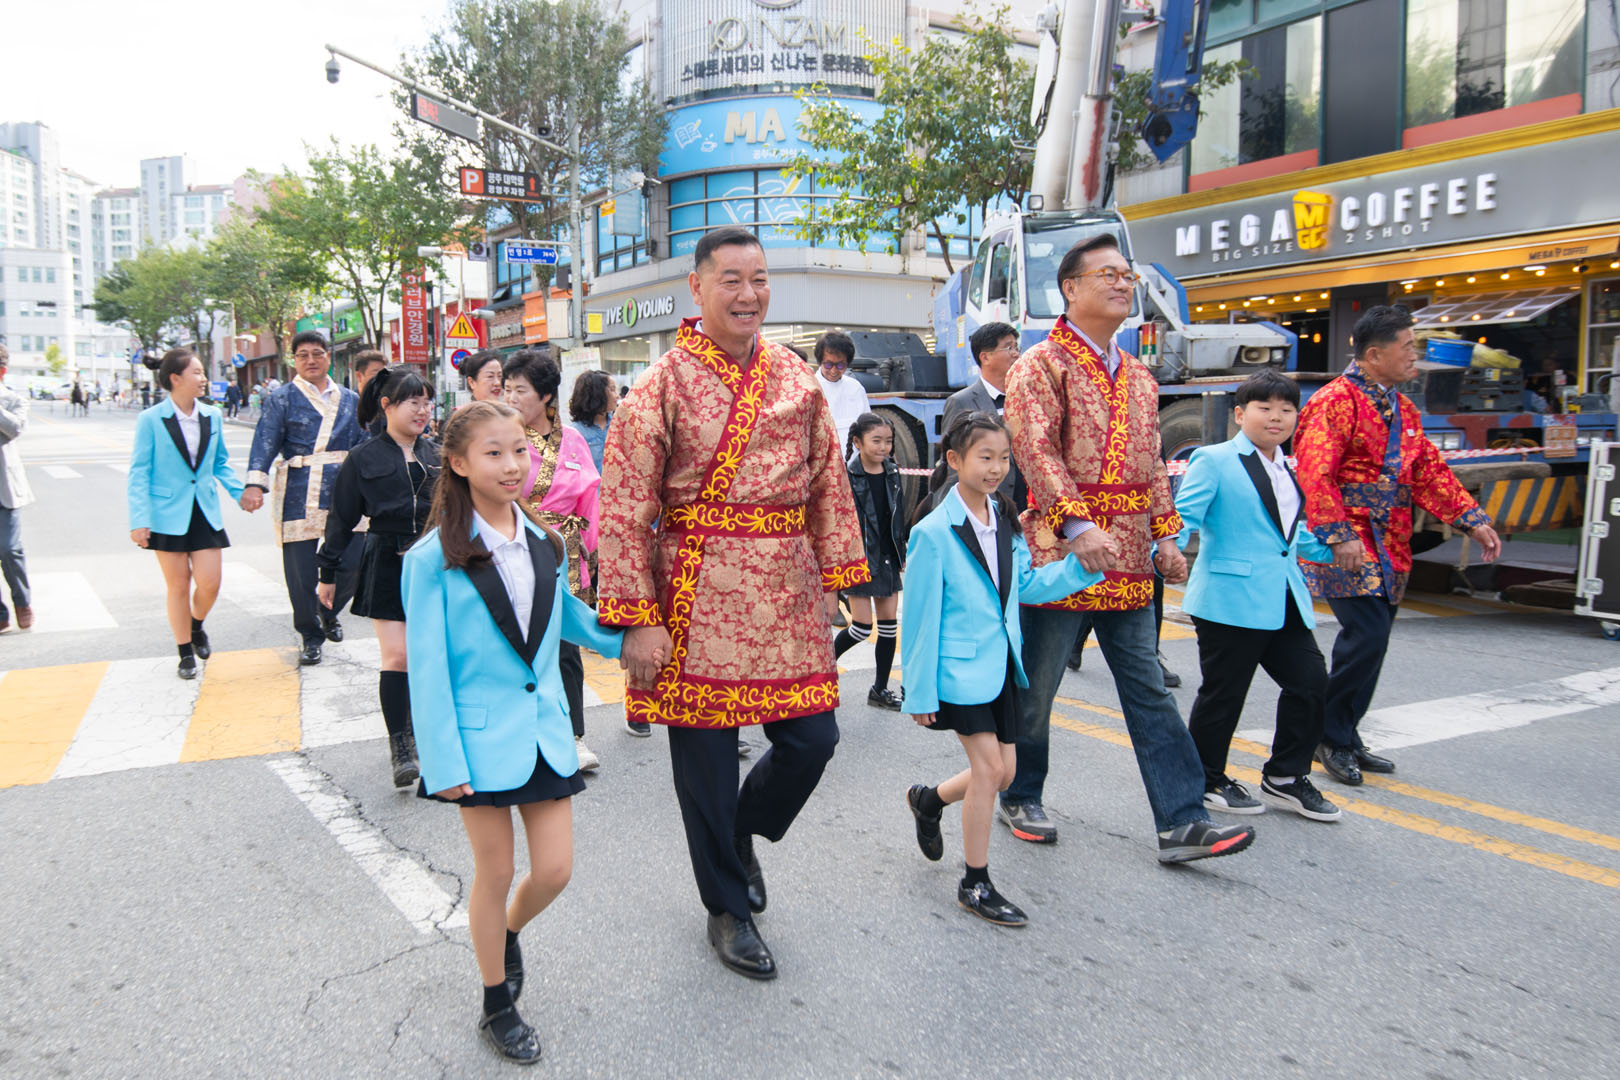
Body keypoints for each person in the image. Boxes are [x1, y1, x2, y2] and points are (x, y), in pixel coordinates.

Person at [598, 226, 868, 981]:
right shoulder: (660, 386)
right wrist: (639, 618)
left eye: (760, 279)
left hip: (785, 590)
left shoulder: (795, 377)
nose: (750, 294)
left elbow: (827, 478)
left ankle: (742, 831)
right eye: (732, 280)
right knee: (707, 768)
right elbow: (623, 507)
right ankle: (727, 907)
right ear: (697, 287)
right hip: (695, 594)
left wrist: (840, 573)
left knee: (813, 740)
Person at [1003, 233, 1255, 863]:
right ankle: (1019, 791)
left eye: (1128, 276)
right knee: (1038, 688)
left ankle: (1183, 820)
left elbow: (1150, 465)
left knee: (1148, 689)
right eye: (1108, 274)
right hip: (1064, 555)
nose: (1123, 284)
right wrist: (1076, 525)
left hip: (1131, 556)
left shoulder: (1139, 375)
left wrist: (1167, 535)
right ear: (1070, 288)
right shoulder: (1039, 365)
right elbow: (1036, 452)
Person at [403, 401, 622, 1066]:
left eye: (520, 451)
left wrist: (633, 637)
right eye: (494, 453)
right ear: (458, 463)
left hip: (543, 731)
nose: (511, 465)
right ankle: (496, 1001)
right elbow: (427, 669)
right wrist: (442, 763)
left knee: (554, 871)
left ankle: (506, 932)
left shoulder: (546, 541)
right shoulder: (431, 558)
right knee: (495, 871)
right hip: (476, 743)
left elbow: (567, 618)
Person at [902, 412, 1100, 926]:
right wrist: (918, 692)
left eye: (1004, 458)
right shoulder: (933, 532)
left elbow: (1025, 588)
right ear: (954, 460)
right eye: (984, 457)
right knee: (991, 772)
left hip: (1002, 666)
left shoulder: (1006, 520)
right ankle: (975, 882)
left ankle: (929, 800)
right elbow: (918, 618)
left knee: (1006, 772)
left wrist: (1081, 568)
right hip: (957, 673)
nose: (996, 468)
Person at [1295, 305, 1501, 785]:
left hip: (1391, 541)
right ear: (1373, 354)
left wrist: (1471, 521)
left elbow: (1427, 471)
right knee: (1365, 636)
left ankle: (1345, 733)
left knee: (1375, 641)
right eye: (1407, 346)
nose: (1415, 355)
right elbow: (1315, 473)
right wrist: (1339, 534)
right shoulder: (1334, 401)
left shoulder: (1403, 409)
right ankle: (1329, 735)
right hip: (1350, 540)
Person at [1174, 369, 1341, 821]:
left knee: (1310, 683)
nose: (1276, 417)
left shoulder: (1288, 467)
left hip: (1283, 596)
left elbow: (1289, 535)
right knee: (1225, 693)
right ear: (1239, 414)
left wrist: (1334, 550)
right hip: (1228, 598)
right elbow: (1184, 516)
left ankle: (1285, 776)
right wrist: (1166, 551)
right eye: (1264, 408)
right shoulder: (1214, 460)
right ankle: (1205, 778)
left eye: (1286, 409)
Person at [318, 367, 439, 788]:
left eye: (427, 402)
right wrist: (327, 572)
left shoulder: (439, 453)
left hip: (435, 563)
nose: (423, 410)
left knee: (428, 657)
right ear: (387, 405)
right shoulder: (363, 458)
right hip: (387, 560)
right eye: (413, 402)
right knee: (398, 657)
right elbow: (341, 519)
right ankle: (400, 744)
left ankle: (424, 733)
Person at [505, 349, 606, 764]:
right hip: (515, 547)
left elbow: (591, 499)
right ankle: (521, 735)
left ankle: (573, 735)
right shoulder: (502, 436)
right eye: (507, 389)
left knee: (566, 645)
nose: (511, 398)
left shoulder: (574, 440)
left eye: (520, 390)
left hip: (566, 554)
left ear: (546, 396)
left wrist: (595, 555)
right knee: (518, 646)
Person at [127, 348, 253, 679]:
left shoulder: (212, 416)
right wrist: (139, 520)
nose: (204, 378)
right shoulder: (151, 419)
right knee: (179, 586)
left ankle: (196, 625)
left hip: (204, 511)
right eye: (197, 372)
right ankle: (185, 652)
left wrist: (239, 493)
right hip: (165, 513)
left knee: (210, 583)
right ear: (176, 378)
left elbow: (220, 463)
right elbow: (139, 472)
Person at [242, 331, 365, 666]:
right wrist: (255, 484)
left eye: (317, 353)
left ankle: (327, 611)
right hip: (299, 489)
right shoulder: (281, 399)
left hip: (345, 489)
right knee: (301, 573)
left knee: (354, 562)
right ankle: (310, 635)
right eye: (303, 355)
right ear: (294, 361)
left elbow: (365, 442)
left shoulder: (351, 399)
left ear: (328, 357)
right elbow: (265, 441)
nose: (311, 360)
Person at [833, 412, 907, 710]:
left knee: (889, 628)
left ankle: (879, 689)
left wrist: (900, 551)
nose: (883, 447)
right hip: (860, 558)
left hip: (887, 556)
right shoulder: (847, 475)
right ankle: (820, 673)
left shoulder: (892, 471)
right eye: (876, 441)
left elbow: (898, 515)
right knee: (862, 628)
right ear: (857, 442)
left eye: (888, 441)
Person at [939, 321, 1024, 507]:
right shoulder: (961, 402)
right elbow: (952, 466)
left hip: (1027, 504)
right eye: (1008, 348)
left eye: (1016, 347)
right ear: (985, 357)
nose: (1016, 354)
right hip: (987, 504)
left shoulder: (1025, 398)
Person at [0, 345, 35, 633]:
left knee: (9, 549)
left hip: (5, 488)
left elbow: (15, 429)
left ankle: (22, 601)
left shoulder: (14, 400)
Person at [813, 330, 870, 450]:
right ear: (819, 361)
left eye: (840, 365)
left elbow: (867, 426)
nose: (834, 371)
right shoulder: (811, 387)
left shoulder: (855, 388)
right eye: (828, 365)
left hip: (852, 457)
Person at [567, 369, 618, 476]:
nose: (617, 396)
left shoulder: (618, 426)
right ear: (598, 394)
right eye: (612, 390)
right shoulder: (575, 433)